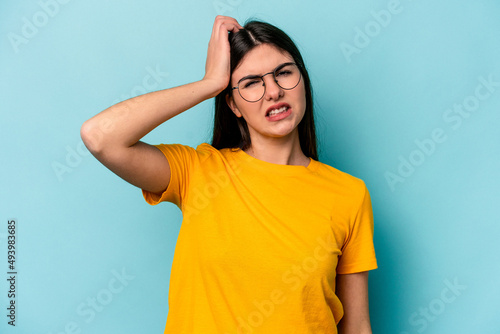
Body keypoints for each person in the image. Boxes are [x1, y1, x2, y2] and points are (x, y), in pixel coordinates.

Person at [80, 15, 377, 334]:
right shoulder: (197, 172)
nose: (273, 91)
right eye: (251, 83)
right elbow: (100, 137)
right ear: (232, 104)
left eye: (284, 73)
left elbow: (357, 327)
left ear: (302, 79)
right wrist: (208, 83)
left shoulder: (349, 193)